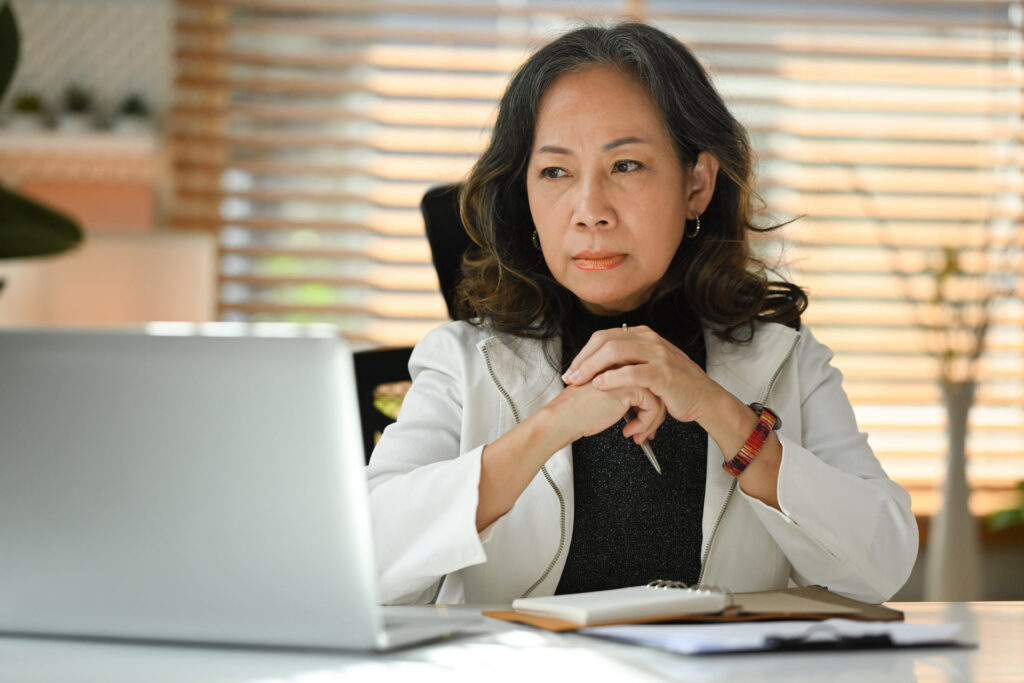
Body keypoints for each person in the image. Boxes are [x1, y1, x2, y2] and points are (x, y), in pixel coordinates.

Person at [366, 22, 918, 606]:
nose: (590, 211)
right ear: (525, 194)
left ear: (696, 184)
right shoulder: (463, 361)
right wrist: (553, 424)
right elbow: (362, 563)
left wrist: (719, 409)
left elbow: (881, 567)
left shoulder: (784, 359)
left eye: (626, 165)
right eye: (555, 171)